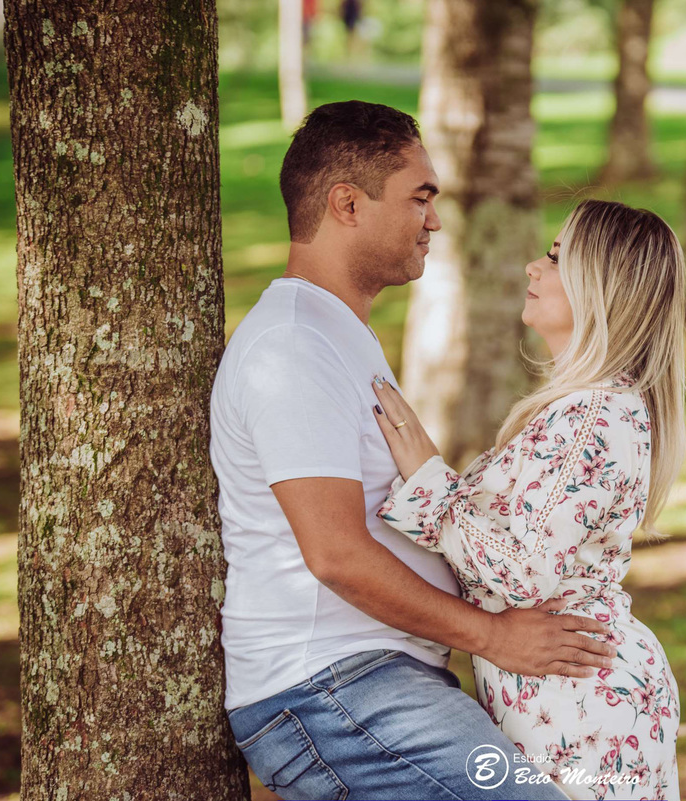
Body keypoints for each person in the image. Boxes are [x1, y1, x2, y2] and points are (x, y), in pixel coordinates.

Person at [209, 100, 616, 801]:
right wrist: (493, 635)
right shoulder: (293, 346)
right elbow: (335, 553)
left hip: (370, 682)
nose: (434, 219)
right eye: (420, 197)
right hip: (332, 689)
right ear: (347, 204)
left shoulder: (338, 334)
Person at [372, 199, 686, 800]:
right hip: (565, 694)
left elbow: (525, 572)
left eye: (556, 257)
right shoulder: (591, 407)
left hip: (582, 708)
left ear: (603, 288)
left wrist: (428, 479)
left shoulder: (595, 413)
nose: (531, 267)